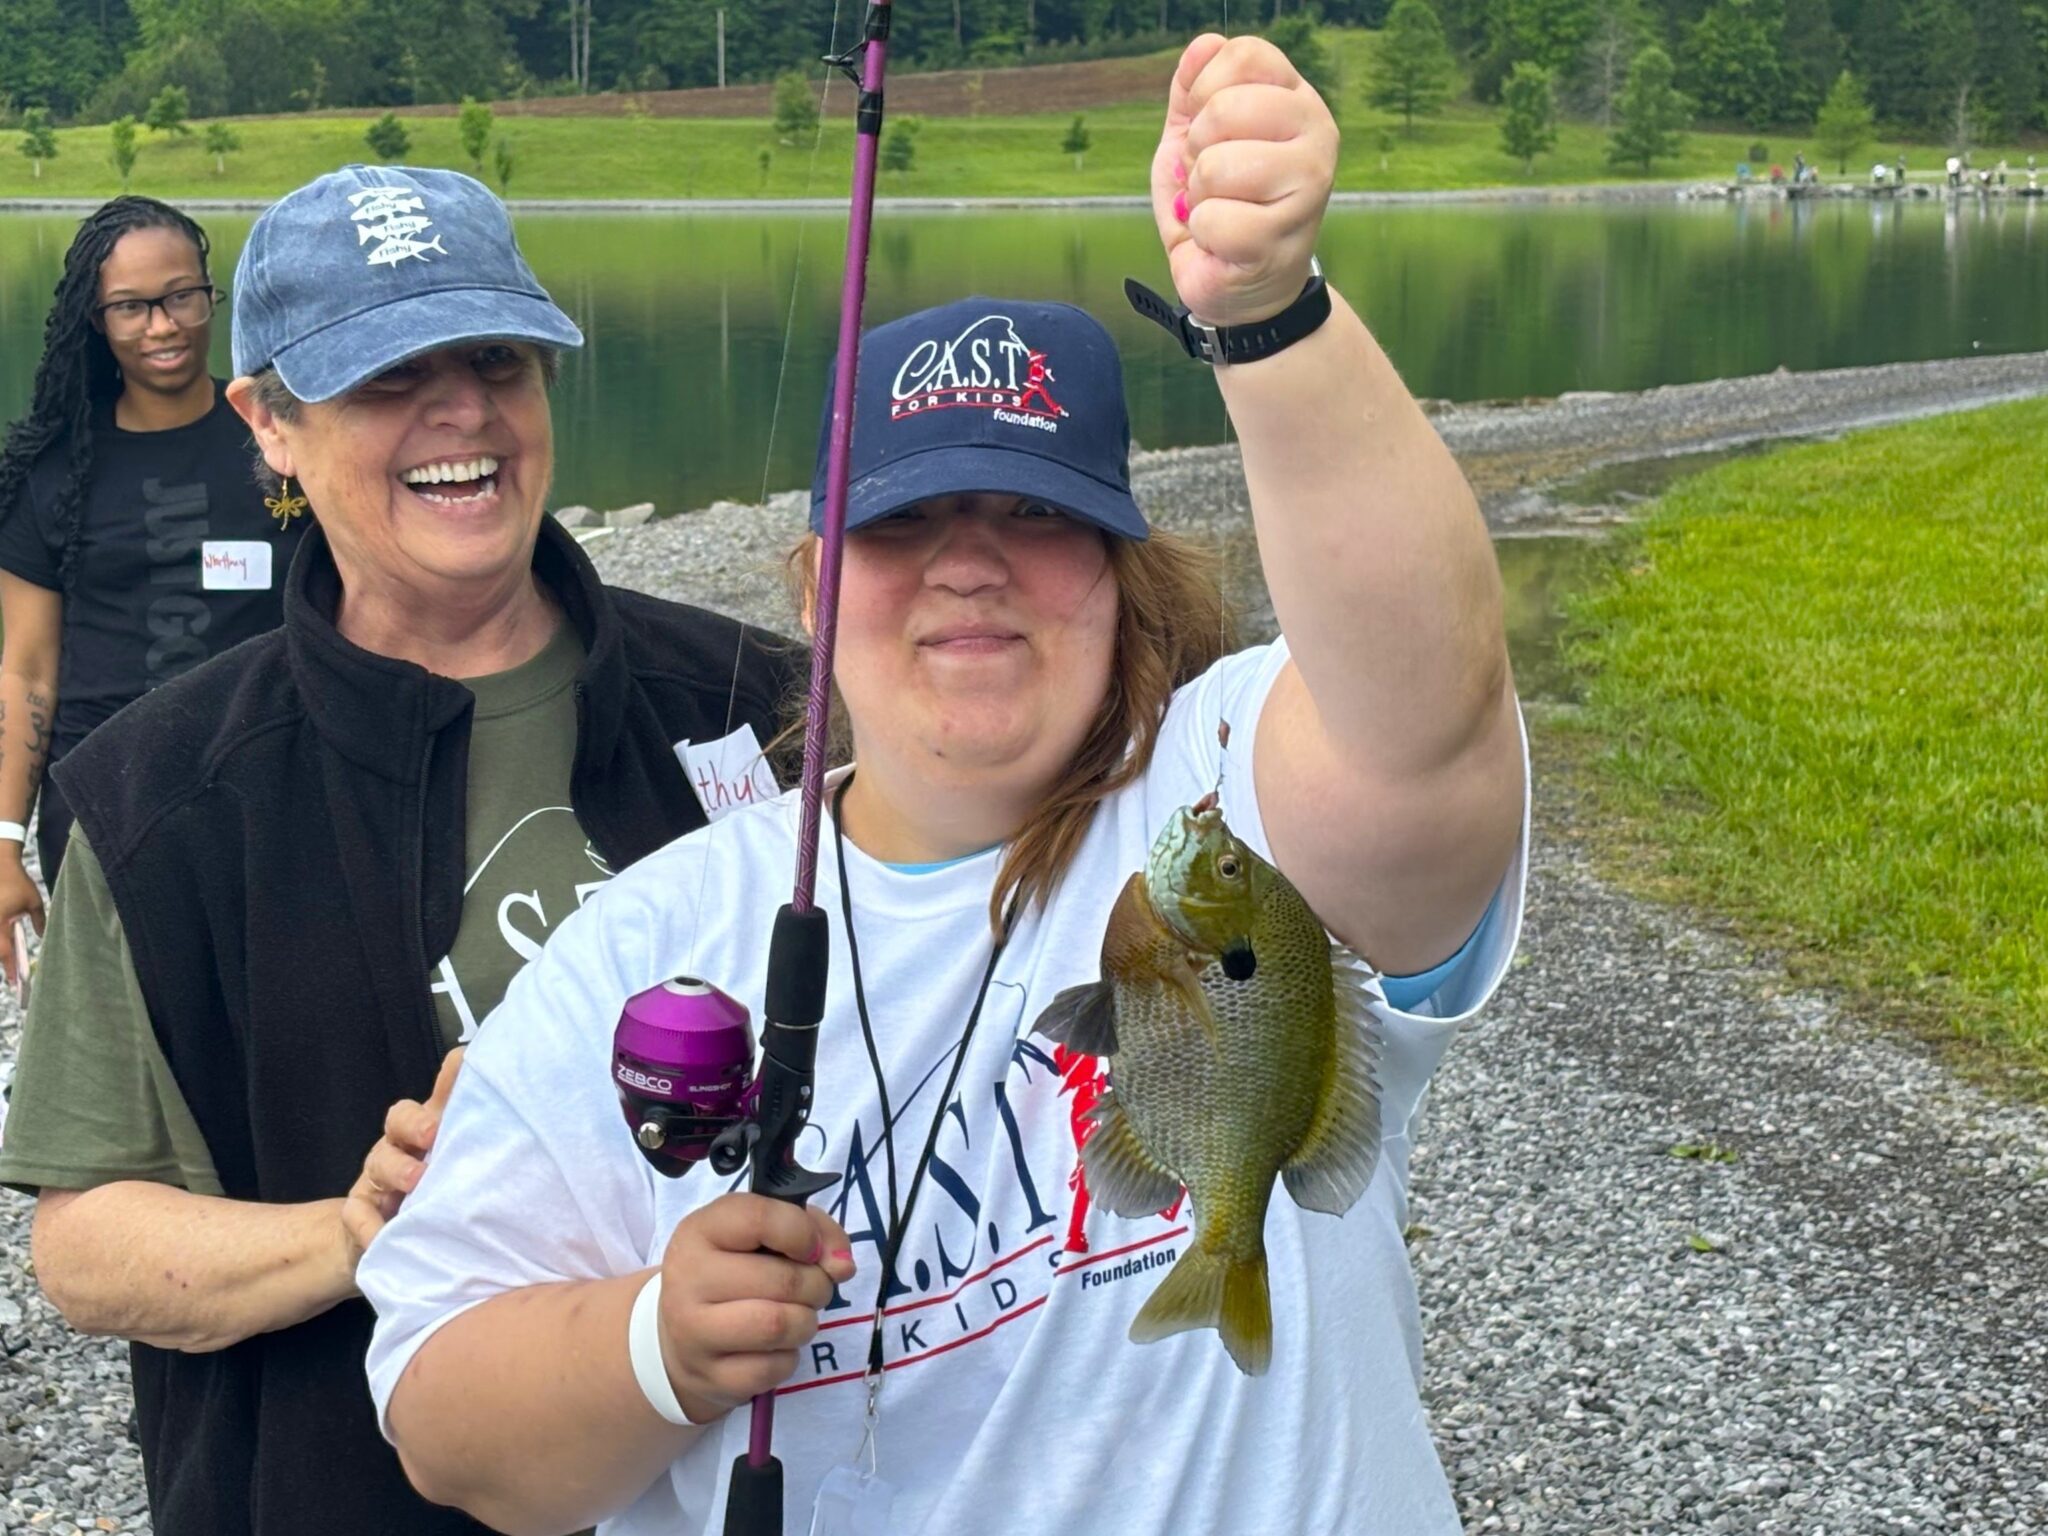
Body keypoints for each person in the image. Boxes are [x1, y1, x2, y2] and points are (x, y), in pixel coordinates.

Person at [361, 36, 1528, 1536]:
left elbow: (1428, 716)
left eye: (1037, 516)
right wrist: (655, 1346)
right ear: (816, 582)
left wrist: (1269, 314)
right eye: (908, 523)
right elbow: (445, 1419)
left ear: (1120, 572)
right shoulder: (656, 938)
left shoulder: (1224, 786)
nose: (970, 564)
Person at [0, 166, 799, 1536]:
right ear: (270, 426)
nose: (461, 414)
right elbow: (84, 1250)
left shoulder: (760, 705)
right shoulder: (153, 802)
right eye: (385, 377)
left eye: (495, 359)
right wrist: (356, 1231)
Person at [0, 197, 307, 955]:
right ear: (95, 319)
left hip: (271, 796)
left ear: (210, 293)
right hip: (103, 808)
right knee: (119, 1044)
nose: (164, 326)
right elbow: (29, 668)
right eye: (132, 307)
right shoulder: (53, 473)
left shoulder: (286, 439)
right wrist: (5, 842)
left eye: (181, 297)